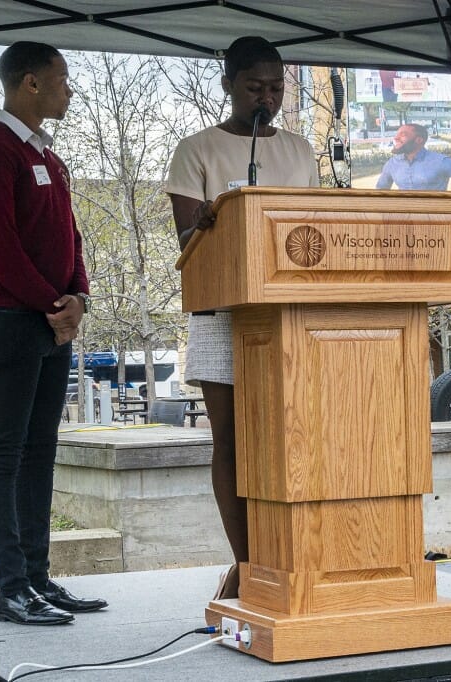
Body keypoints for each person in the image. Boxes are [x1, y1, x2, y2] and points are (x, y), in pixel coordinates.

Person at [0, 41, 107, 625]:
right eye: (61, 79)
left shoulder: (48, 154)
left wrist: (80, 298)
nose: (70, 89)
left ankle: (39, 580)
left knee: (41, 450)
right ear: (29, 85)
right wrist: (53, 304)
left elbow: (70, 236)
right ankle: (9, 589)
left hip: (48, 321)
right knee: (4, 455)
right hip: (4, 319)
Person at [166, 36, 319, 601]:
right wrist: (211, 222)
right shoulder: (196, 150)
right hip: (222, 313)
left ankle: (288, 554)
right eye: (255, 87)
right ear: (228, 84)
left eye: (277, 87)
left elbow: (315, 234)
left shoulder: (301, 151)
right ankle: (246, 560)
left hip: (289, 315)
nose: (268, 98)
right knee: (230, 439)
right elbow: (185, 244)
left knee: (288, 433)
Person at [375, 124, 451, 191]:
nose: (396, 138)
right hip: (404, 215)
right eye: (397, 134)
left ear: (419, 140)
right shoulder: (392, 163)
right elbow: (380, 190)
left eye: (403, 135)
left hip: (435, 214)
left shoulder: (442, 162)